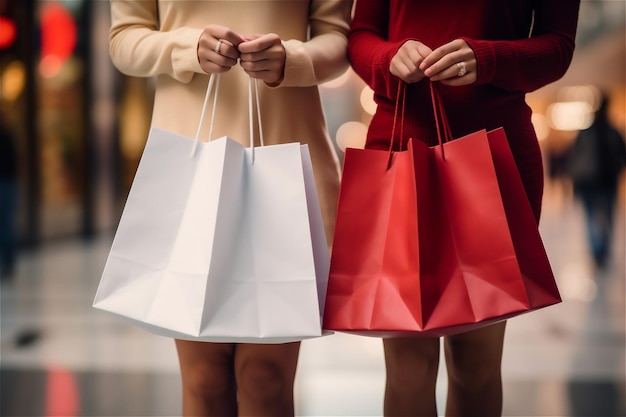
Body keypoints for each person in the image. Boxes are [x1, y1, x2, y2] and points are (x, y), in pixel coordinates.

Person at [108, 1, 352, 415]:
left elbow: (338, 40)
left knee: (267, 377)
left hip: (282, 159)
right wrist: (187, 48)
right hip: (190, 163)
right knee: (204, 377)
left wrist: (291, 59)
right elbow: (124, 39)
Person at [347, 1, 580, 416]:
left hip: (496, 152)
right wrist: (389, 56)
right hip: (400, 144)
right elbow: (361, 34)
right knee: (408, 365)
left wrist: (489, 58)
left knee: (476, 363)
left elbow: (558, 45)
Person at [566, 92, 626, 269]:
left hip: (589, 182)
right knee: (608, 217)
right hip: (608, 181)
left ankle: (597, 252)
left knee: (592, 217)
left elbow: (575, 159)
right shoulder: (613, 132)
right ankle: (603, 251)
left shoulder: (585, 133)